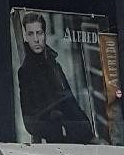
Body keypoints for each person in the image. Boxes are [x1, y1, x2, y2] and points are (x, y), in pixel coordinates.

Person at [16, 12, 93, 143]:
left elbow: (70, 101)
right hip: (55, 140)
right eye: (31, 34)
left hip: (72, 135)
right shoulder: (26, 72)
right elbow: (29, 120)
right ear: (26, 37)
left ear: (45, 34)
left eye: (39, 33)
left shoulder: (54, 65)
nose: (36, 39)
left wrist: (86, 128)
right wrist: (60, 129)